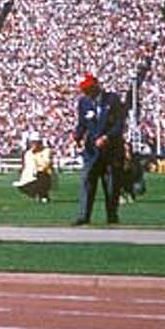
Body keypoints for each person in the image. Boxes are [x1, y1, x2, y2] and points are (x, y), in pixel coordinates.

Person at [70, 74, 125, 226]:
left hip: (111, 150)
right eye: (84, 90)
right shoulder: (83, 102)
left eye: (88, 89)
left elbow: (119, 125)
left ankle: (112, 216)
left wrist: (107, 137)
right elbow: (82, 123)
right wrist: (77, 135)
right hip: (92, 151)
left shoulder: (112, 100)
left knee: (111, 185)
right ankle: (84, 216)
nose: (86, 93)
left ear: (96, 86)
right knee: (87, 180)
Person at [14, 133, 53, 202]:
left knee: (41, 175)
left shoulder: (46, 151)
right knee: (22, 186)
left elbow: (46, 163)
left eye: (35, 142)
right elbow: (27, 167)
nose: (34, 144)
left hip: (44, 175)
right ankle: (35, 194)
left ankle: (43, 194)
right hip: (31, 175)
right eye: (32, 142)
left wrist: (37, 168)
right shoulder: (28, 153)